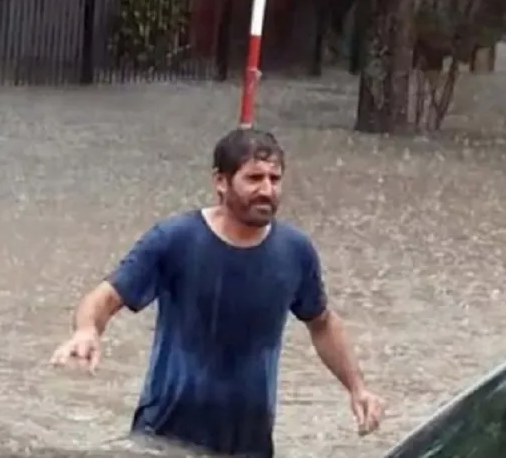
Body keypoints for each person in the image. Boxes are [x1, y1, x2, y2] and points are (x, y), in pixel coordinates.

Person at [50, 128, 384, 457]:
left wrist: (357, 387)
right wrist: (86, 330)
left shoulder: (294, 251)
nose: (267, 190)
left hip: (250, 445)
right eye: (254, 178)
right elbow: (106, 297)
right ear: (220, 182)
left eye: (275, 179)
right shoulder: (176, 239)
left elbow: (321, 322)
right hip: (165, 439)